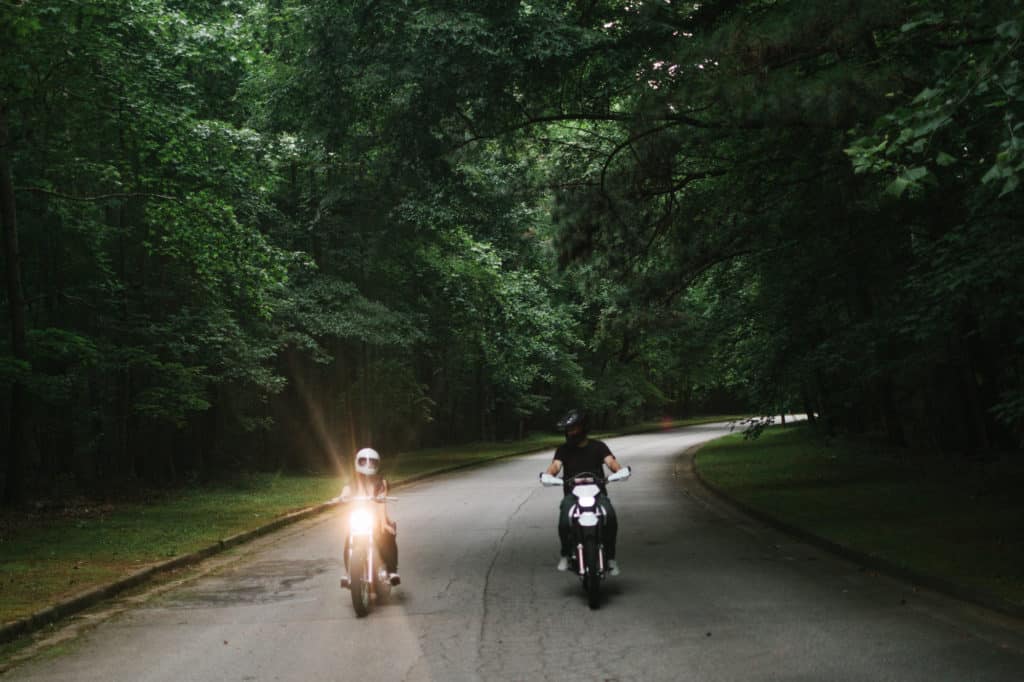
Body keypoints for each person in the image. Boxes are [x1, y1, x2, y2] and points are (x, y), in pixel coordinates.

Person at [544, 409, 625, 576]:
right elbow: (556, 465)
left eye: (574, 428)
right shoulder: (563, 450)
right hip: (573, 495)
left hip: (597, 494)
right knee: (564, 522)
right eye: (569, 429)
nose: (571, 432)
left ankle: (610, 558)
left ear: (583, 427)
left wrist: (619, 471)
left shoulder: (598, 446)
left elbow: (611, 462)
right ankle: (566, 554)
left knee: (610, 517)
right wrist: (549, 474)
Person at [340, 447, 400, 586]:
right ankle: (350, 573)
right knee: (349, 539)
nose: (368, 465)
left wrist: (383, 521)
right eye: (364, 461)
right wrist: (342, 497)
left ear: (377, 464)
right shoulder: (353, 482)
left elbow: (382, 503)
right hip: (359, 517)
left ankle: (391, 571)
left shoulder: (381, 482)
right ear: (357, 462)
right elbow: (346, 490)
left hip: (376, 518)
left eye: (372, 462)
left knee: (387, 535)